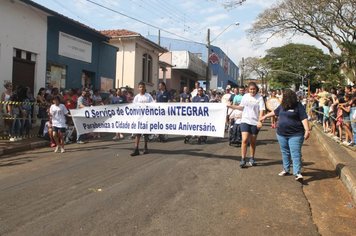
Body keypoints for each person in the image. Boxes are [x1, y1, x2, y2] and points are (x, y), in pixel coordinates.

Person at [260, 89, 311, 181]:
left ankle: (297, 173)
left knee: (295, 153)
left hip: (296, 134)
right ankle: (286, 169)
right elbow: (275, 112)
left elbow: (304, 118)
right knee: (285, 152)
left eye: (284, 96)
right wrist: (264, 116)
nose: (282, 97)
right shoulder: (282, 106)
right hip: (282, 134)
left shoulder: (298, 106)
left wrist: (307, 130)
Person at [228, 82, 265, 168]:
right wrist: (231, 106)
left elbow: (262, 110)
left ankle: (252, 158)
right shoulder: (245, 96)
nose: (252, 91)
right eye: (251, 89)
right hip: (245, 120)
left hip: (255, 122)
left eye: (254, 89)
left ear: (256, 89)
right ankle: (243, 159)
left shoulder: (259, 97)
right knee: (244, 140)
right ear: (248, 89)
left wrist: (260, 121)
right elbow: (241, 107)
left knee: (252, 141)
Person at [131, 82, 154, 156]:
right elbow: (133, 106)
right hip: (139, 118)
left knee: (145, 134)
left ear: (145, 88)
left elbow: (153, 105)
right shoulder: (137, 97)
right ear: (138, 88)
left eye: (143, 87)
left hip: (146, 118)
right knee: (138, 133)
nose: (141, 88)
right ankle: (136, 149)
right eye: (140, 87)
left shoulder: (148, 96)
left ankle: (145, 147)